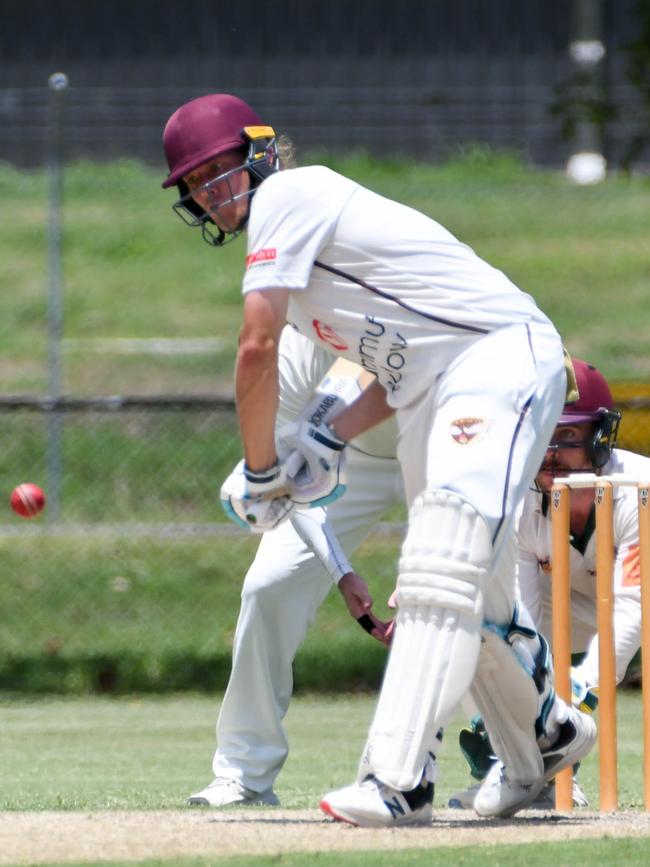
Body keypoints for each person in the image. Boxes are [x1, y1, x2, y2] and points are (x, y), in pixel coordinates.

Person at [161, 93, 596, 825]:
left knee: (439, 561)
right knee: (476, 594)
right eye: (197, 185)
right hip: (435, 385)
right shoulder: (311, 289)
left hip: (499, 355)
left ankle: (399, 780)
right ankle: (545, 737)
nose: (214, 193)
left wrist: (264, 469)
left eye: (221, 171)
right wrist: (320, 441)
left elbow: (253, 349)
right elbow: (395, 373)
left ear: (260, 154)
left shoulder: (291, 196)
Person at [188, 324, 403, 807]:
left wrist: (416, 575)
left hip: (437, 450)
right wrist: (342, 571)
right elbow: (295, 478)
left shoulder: (412, 318)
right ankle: (245, 773)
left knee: (475, 584)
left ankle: (516, 762)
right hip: (346, 462)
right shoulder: (298, 344)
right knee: (267, 586)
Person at [451, 358, 646, 810]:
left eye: (568, 437)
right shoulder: (519, 498)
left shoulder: (638, 490)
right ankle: (527, 770)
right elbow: (523, 613)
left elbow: (633, 609)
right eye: (544, 437)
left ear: (599, 437)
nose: (552, 453)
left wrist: (576, 695)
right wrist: (527, 710)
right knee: (471, 613)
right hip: (580, 605)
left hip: (637, 606)